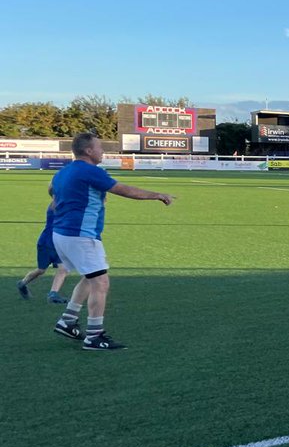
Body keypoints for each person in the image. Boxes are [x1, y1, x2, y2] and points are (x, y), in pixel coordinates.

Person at [50, 132, 175, 350]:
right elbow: (124, 190)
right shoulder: (89, 170)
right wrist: (157, 195)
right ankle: (94, 336)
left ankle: (67, 321)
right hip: (80, 235)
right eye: (99, 147)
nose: (102, 151)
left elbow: (53, 194)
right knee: (101, 282)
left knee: (90, 277)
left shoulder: (64, 171)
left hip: (62, 233)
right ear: (89, 151)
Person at [17, 186, 71, 303]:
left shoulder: (60, 204)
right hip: (47, 243)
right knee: (41, 270)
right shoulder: (56, 205)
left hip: (57, 243)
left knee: (63, 268)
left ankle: (53, 294)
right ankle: (22, 283)